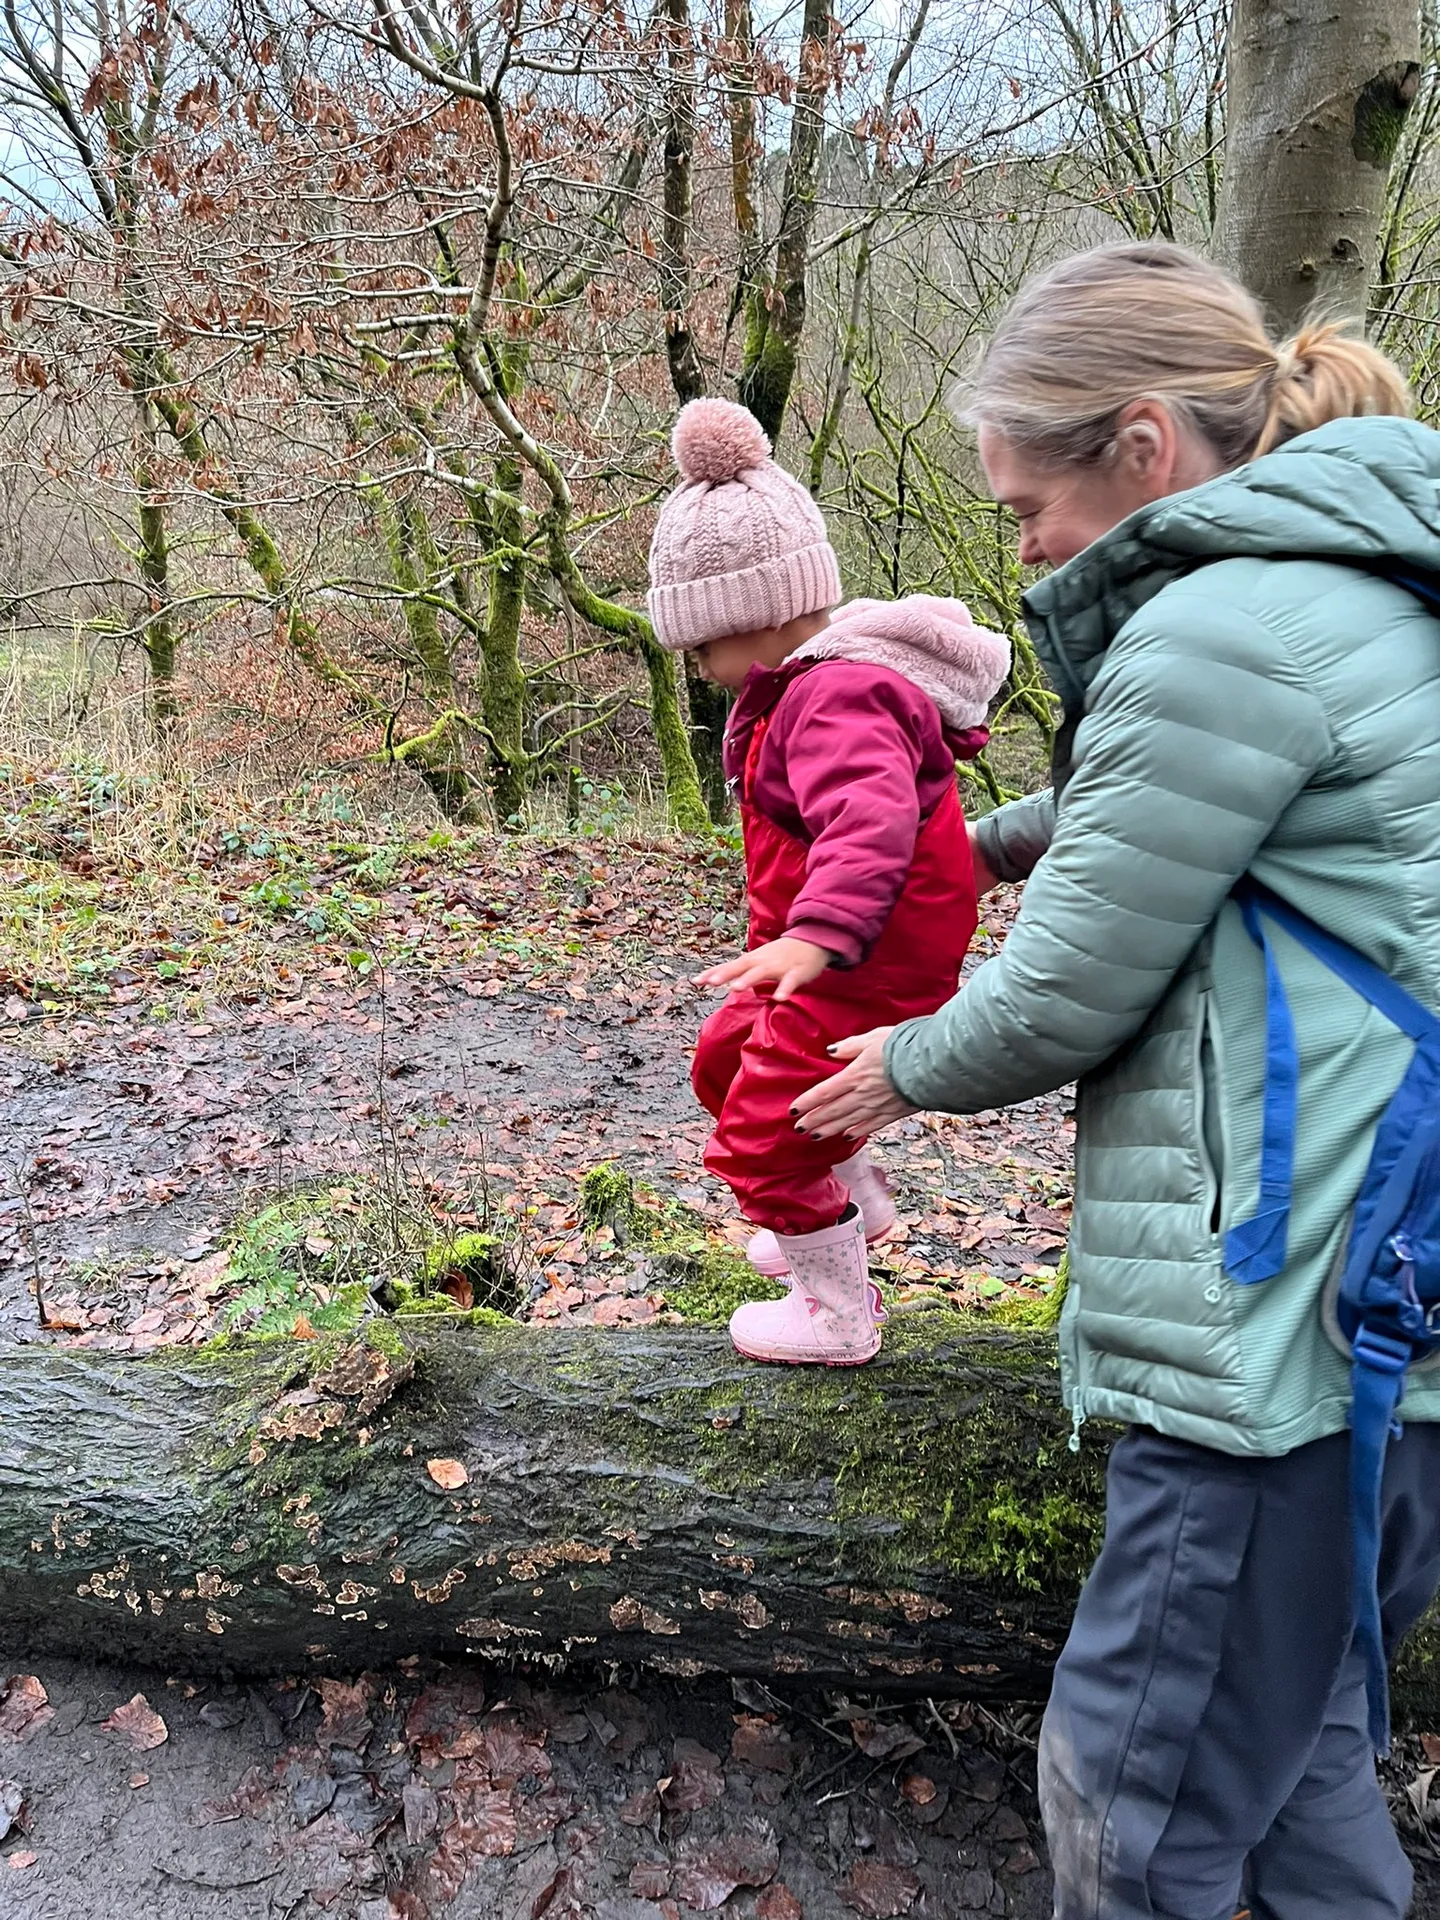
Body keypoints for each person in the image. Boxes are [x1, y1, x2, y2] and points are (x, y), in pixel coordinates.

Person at [792, 241, 1440, 1920]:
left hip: (1277, 1350)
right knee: (1296, 1760)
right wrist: (965, 847)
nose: (1021, 547)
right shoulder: (1347, 579)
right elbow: (1161, 819)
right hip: (1388, 1323)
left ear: (1144, 444)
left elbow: (1069, 991)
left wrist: (895, 1071)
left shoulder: (1215, 630)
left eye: (1026, 507)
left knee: (1134, 1802)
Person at [646, 396, 1009, 1365]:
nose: (700, 669)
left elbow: (869, 820)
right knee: (723, 1061)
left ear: (749, 619)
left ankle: (838, 1314)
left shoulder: (836, 695)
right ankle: (844, 1190)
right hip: (840, 952)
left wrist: (815, 935)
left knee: (759, 1136)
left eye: (701, 647)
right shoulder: (811, 687)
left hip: (867, 961)